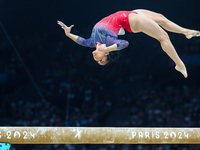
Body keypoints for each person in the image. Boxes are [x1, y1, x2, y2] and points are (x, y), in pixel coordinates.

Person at [57, 9, 200, 78]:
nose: (96, 59)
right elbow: (125, 43)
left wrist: (68, 33)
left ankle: (186, 32)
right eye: (101, 60)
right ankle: (179, 64)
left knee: (162, 19)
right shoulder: (109, 43)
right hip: (131, 22)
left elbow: (80, 40)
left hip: (129, 13)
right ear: (106, 54)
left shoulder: (91, 43)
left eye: (98, 61)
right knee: (163, 36)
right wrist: (108, 47)